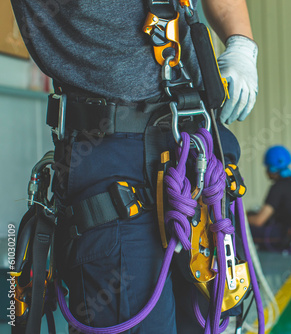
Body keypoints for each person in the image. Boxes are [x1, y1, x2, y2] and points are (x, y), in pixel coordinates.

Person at [11, 0, 257, 333]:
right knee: (137, 322)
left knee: (202, 319)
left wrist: (241, 43)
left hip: (193, 141)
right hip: (109, 149)